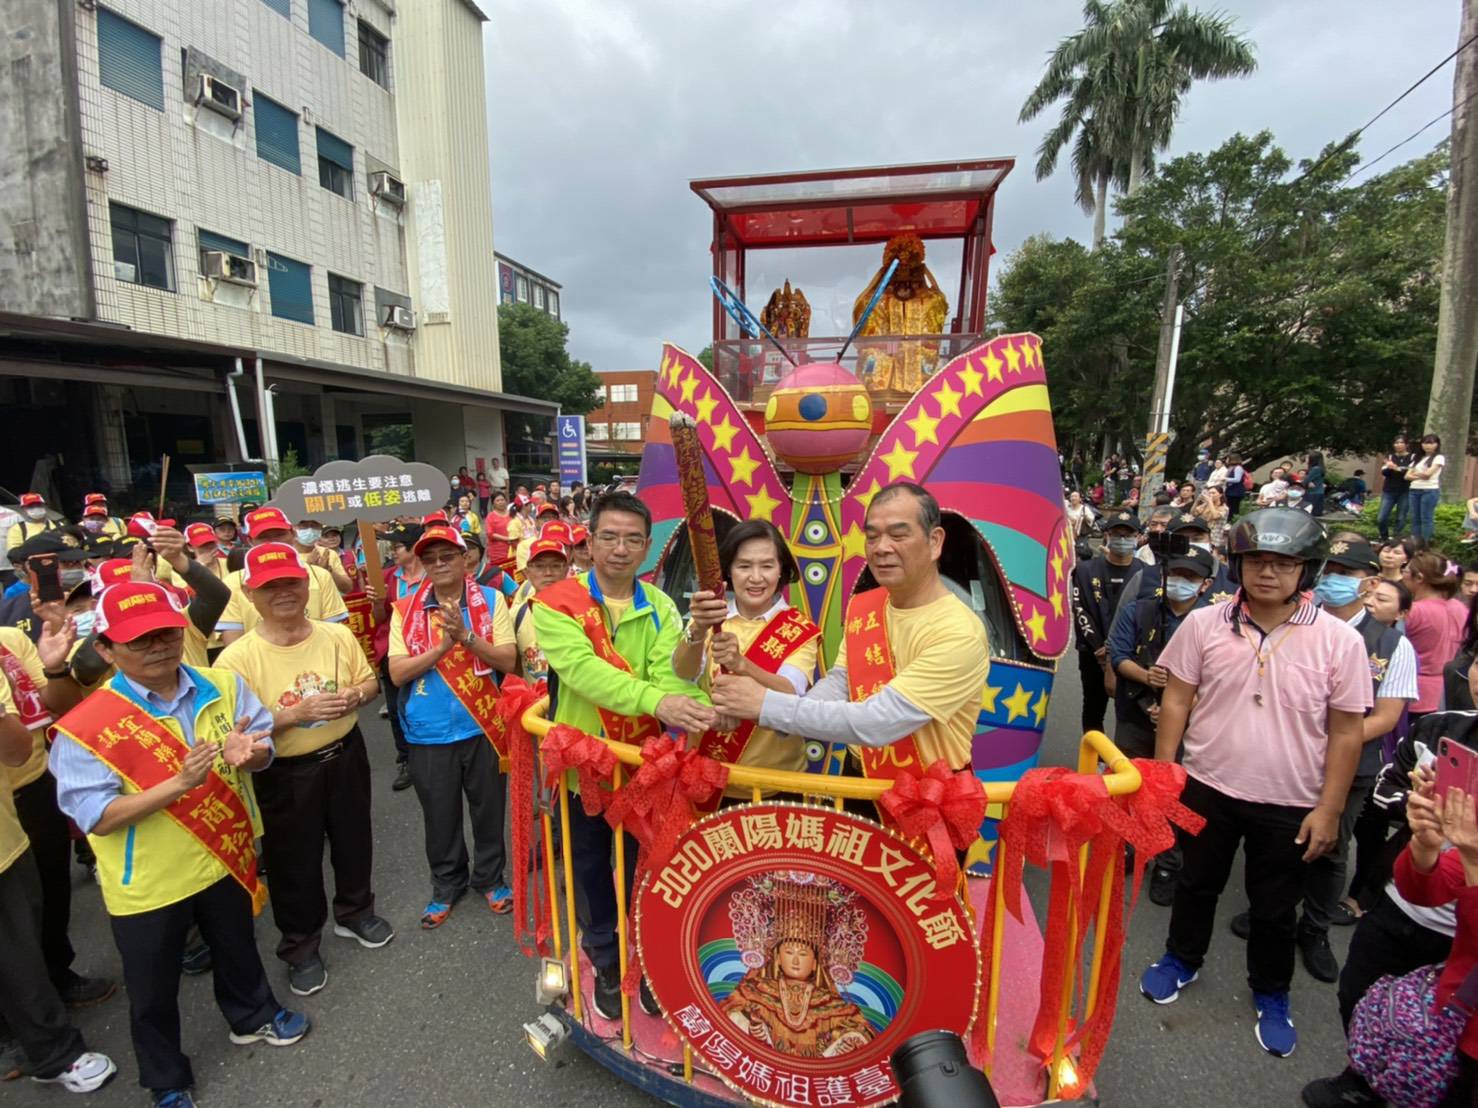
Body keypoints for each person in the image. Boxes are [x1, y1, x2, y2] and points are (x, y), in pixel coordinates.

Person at [49, 582, 309, 1106]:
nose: (159, 647)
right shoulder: (87, 725)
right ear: (105, 649)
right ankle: (166, 1078)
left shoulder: (222, 684)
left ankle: (253, 1015)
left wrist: (252, 756)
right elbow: (94, 816)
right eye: (140, 640)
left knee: (238, 947)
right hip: (148, 880)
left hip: (223, 855)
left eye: (166, 633)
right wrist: (177, 785)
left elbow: (263, 748)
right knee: (153, 988)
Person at [1139, 509, 1371, 1059]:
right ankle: (1180, 959)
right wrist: (1165, 775)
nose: (1269, 573)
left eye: (1284, 563)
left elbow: (1346, 732)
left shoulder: (1340, 642)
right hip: (1207, 786)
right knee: (1196, 884)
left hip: (1290, 802)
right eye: (1258, 561)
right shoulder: (1203, 623)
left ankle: (1271, 993)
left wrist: (1331, 810)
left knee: (1274, 908)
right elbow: (1176, 699)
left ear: (1305, 571)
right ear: (1238, 564)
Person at [532, 490, 714, 1020]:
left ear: (646, 547)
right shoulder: (555, 603)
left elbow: (671, 672)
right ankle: (607, 962)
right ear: (589, 542)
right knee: (590, 872)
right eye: (609, 537)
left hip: (645, 772)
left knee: (649, 872)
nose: (620, 548)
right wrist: (663, 702)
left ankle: (653, 962)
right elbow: (586, 675)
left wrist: (694, 704)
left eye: (633, 538)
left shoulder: (658, 605)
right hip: (586, 770)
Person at [1227, 539, 1418, 983]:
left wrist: (1325, 741)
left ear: (1368, 582)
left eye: (1346, 573)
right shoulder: (1291, 624)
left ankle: (1314, 929)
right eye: (1329, 569)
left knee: (1328, 848)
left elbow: (1387, 717)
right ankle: (1270, 914)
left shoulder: (1392, 644)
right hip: (1282, 761)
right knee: (1276, 841)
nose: (1334, 579)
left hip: (1348, 767)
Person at [713, 483, 988, 779]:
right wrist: (780, 713)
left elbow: (878, 721)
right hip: (857, 777)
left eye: (898, 535)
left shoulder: (959, 632)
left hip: (923, 795)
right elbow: (841, 682)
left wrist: (769, 706)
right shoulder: (866, 607)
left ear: (934, 542)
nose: (882, 547)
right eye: (872, 536)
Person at [215, 544, 390, 997]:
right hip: (284, 770)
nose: (283, 593)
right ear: (251, 594)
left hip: (346, 753)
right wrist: (294, 714)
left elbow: (369, 681)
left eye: (291, 582)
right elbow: (233, 733)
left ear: (307, 584)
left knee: (355, 839)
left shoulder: (336, 636)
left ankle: (356, 913)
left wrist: (355, 696)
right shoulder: (236, 659)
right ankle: (300, 946)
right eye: (270, 586)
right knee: (293, 861)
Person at [387, 524, 516, 929]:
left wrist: (467, 638)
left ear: (466, 559)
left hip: (484, 728)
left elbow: (509, 661)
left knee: (489, 811)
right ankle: (446, 886)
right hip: (428, 733)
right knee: (439, 816)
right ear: (422, 565)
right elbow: (396, 673)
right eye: (430, 559)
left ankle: (491, 879)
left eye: (447, 557)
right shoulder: (404, 610)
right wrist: (443, 647)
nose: (439, 565)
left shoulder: (492, 600)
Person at [0, 664, 118, 1093]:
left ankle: (47, 1011)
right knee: (14, 951)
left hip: (9, 829)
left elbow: (17, 749)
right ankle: (52, 1053)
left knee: (29, 934)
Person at [1, 605, 116, 1009]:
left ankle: (57, 974)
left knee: (50, 892)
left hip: (35, 784)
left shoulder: (11, 641)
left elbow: (59, 704)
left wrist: (53, 669)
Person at [676, 520, 821, 799]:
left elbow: (791, 694)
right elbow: (683, 673)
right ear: (729, 570)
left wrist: (743, 665)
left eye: (767, 566)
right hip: (709, 780)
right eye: (744, 566)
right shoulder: (710, 619)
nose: (756, 578)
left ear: (782, 571)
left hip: (775, 786)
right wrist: (697, 628)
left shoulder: (799, 629)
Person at [1108, 546, 1217, 905]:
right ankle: (1126, 846)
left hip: (1194, 724)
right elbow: (1119, 655)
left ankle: (1168, 861)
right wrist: (1146, 675)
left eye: (1191, 577)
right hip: (1136, 712)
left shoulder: (1215, 623)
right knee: (1129, 783)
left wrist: (1181, 706)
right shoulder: (1138, 610)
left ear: (1206, 584)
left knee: (1175, 792)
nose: (1181, 583)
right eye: (1176, 574)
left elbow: (1224, 680)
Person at [217, 508, 349, 645]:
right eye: (263, 537)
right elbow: (234, 643)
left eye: (279, 534)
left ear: (292, 533)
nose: (273, 542)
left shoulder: (320, 575)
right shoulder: (233, 583)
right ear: (250, 541)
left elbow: (334, 636)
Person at [1071, 511, 1143, 735]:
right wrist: (1099, 648)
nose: (1122, 540)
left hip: (1131, 654)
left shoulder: (1146, 572)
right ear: (1106, 536)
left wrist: (1118, 649)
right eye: (1117, 534)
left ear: (1138, 537)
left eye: (1128, 535)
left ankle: (1128, 758)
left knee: (1134, 708)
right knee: (1093, 706)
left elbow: (1145, 615)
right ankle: (1095, 759)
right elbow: (1079, 607)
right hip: (1093, 651)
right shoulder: (1085, 570)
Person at [372, 526, 423, 793]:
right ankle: (405, 759)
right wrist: (378, 603)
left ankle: (427, 754)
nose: (393, 552)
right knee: (396, 708)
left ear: (414, 547)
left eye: (397, 547)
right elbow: (379, 619)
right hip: (394, 651)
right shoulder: (387, 577)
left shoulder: (432, 575)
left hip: (426, 650)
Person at [1404, 550, 1463, 726]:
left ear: (1419, 578)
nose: (1402, 576)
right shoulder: (1461, 608)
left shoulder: (1414, 611)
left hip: (1414, 692)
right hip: (1446, 692)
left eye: (1406, 572)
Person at [512, 537, 570, 683]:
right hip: (536, 702)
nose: (548, 572)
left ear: (566, 570)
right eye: (539, 566)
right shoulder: (516, 615)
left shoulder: (583, 611)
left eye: (556, 566)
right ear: (527, 572)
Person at [289, 518, 352, 596]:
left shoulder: (329, 554)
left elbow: (347, 588)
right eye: (304, 525)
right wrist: (309, 568)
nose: (310, 529)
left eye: (315, 525)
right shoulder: (286, 557)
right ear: (293, 528)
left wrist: (328, 571)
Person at [1407, 434, 1445, 542]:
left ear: (1437, 445)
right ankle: (1415, 543)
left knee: (1426, 518)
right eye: (1425, 443)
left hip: (1429, 490)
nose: (1428, 446)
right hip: (1414, 490)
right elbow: (1407, 476)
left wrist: (1415, 474)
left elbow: (1428, 474)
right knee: (1415, 519)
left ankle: (1425, 544)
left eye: (1431, 443)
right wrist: (1420, 474)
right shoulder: (1417, 458)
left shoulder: (1438, 457)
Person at [1378, 435, 1416, 541]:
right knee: (1381, 517)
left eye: (1401, 442)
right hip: (1389, 490)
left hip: (1405, 491)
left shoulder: (1412, 457)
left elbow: (1410, 473)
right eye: (1396, 443)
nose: (1398, 445)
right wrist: (1391, 468)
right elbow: (1384, 472)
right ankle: (1384, 537)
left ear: (1406, 444)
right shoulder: (1390, 457)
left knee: (1401, 517)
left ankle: (1396, 538)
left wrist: (1396, 468)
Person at [1304, 453, 1327, 517]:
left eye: (1307, 458)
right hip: (1316, 492)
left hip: (1313, 493)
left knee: (1310, 513)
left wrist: (1307, 482)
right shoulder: (1317, 468)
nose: (1305, 459)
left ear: (1313, 459)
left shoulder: (1315, 469)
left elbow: (1305, 481)